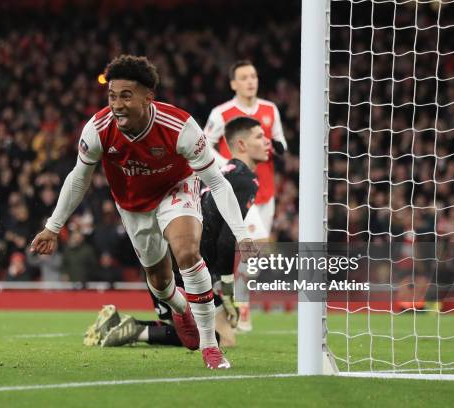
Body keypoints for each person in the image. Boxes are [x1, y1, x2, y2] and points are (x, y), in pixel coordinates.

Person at [30, 55, 256, 369]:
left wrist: (242, 234)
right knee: (160, 282)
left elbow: (216, 183)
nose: (117, 104)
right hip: (133, 206)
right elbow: (79, 177)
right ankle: (180, 308)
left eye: (126, 96)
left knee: (188, 253)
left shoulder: (180, 127)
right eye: (112, 96)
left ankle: (210, 347)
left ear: (148, 98)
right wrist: (53, 227)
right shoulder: (98, 129)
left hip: (175, 190)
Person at [87, 117, 269, 349]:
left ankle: (124, 326)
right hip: (190, 265)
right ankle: (138, 330)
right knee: (223, 338)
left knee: (192, 326)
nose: (266, 141)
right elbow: (226, 241)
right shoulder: (245, 179)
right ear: (241, 144)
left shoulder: (221, 171)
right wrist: (228, 293)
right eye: (259, 136)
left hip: (168, 257)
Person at [205, 60, 288, 331]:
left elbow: (280, 141)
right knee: (257, 244)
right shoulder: (222, 113)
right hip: (237, 189)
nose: (250, 81)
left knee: (254, 253)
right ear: (233, 84)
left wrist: (277, 147)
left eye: (253, 76)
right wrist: (227, 164)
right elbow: (205, 145)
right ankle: (239, 302)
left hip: (266, 191)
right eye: (244, 77)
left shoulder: (270, 109)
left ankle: (228, 292)